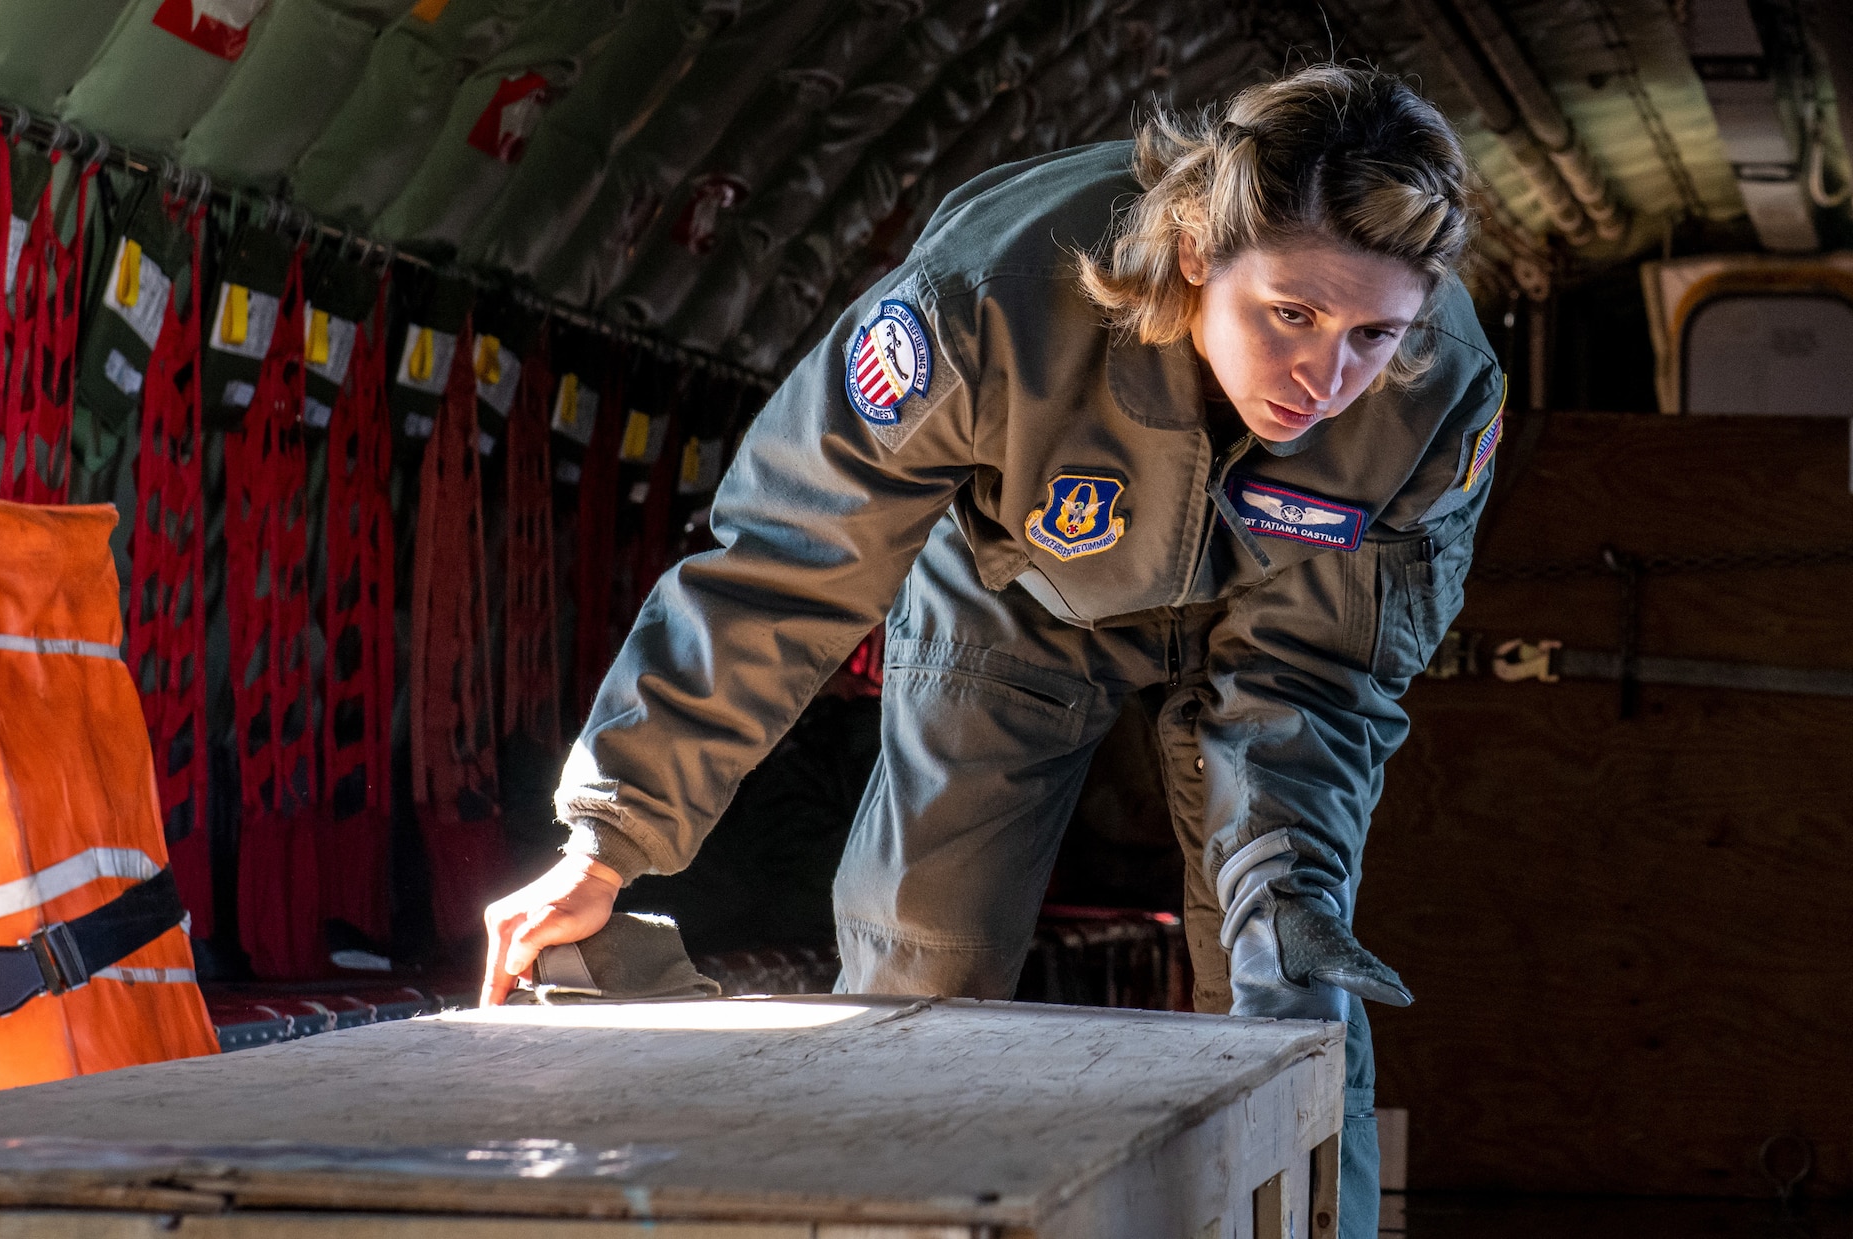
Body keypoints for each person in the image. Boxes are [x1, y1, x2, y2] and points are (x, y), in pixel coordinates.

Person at [482, 63, 1502, 1238]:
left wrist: (1283, 880)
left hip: (1276, 635)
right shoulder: (982, 307)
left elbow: (1323, 677)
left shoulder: (1438, 392)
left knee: (1289, 985)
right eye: (1290, 316)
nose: (1326, 379)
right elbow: (781, 570)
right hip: (1012, 586)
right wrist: (608, 837)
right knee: (925, 943)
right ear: (1190, 256)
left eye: (1373, 333)